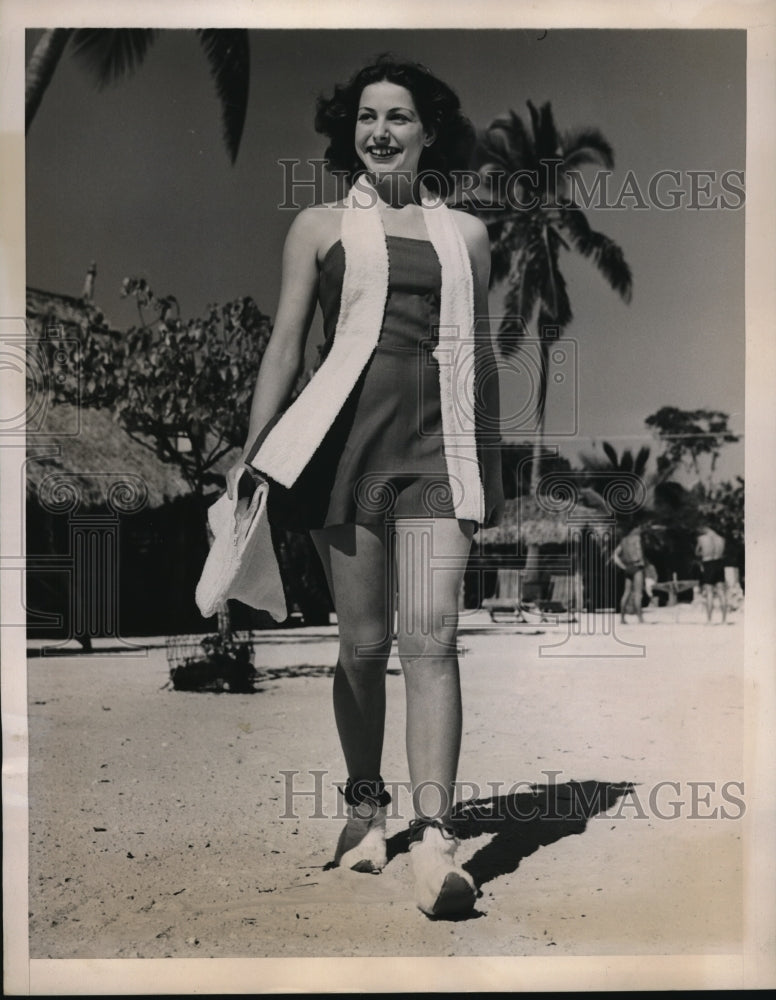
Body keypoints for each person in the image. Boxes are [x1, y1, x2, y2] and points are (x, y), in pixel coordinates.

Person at [226, 55, 504, 917]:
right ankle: (361, 812)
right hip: (341, 453)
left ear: (428, 133)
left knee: (431, 641)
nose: (378, 131)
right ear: (350, 134)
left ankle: (435, 842)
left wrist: (486, 468)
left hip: (436, 456)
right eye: (364, 118)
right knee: (360, 645)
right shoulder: (316, 227)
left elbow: (479, 356)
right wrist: (248, 451)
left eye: (397, 117)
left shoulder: (465, 236)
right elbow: (284, 346)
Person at [612, 523, 645, 624]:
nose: (640, 530)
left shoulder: (624, 540)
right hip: (636, 566)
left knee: (626, 593)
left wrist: (622, 566)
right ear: (635, 528)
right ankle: (640, 619)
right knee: (638, 594)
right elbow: (638, 550)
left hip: (628, 568)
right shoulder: (637, 538)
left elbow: (614, 555)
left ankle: (622, 618)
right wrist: (641, 560)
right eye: (639, 528)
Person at [695, 524, 728, 624]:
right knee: (721, 592)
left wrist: (703, 553)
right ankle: (724, 620)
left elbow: (697, 553)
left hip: (708, 564)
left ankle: (709, 620)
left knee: (709, 592)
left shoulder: (701, 538)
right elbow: (722, 553)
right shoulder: (721, 539)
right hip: (719, 564)